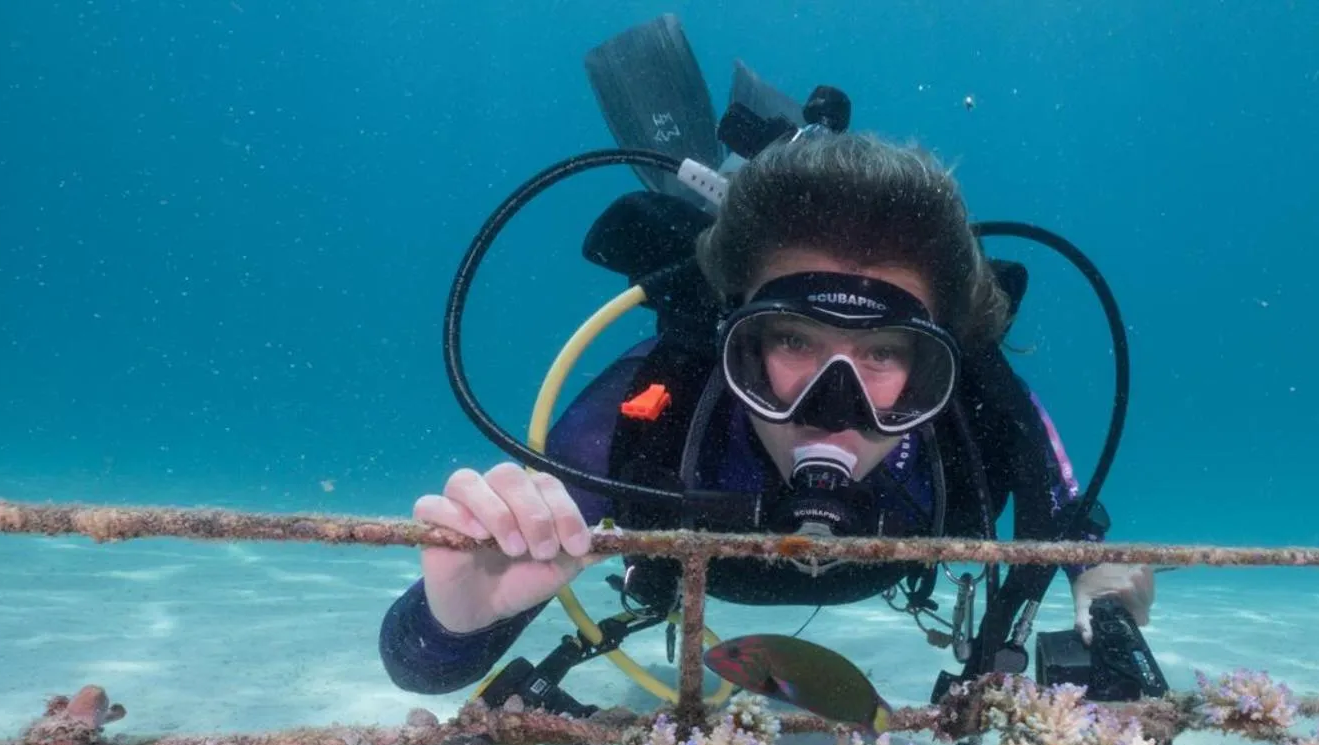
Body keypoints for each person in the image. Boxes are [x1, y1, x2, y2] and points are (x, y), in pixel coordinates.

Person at [380, 128, 1156, 708]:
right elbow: (422, 665)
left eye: (884, 352)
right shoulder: (655, 408)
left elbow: (1081, 541)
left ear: (937, 370)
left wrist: (1108, 589)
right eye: (789, 339)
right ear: (732, 344)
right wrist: (458, 617)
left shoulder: (980, 417)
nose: (832, 409)